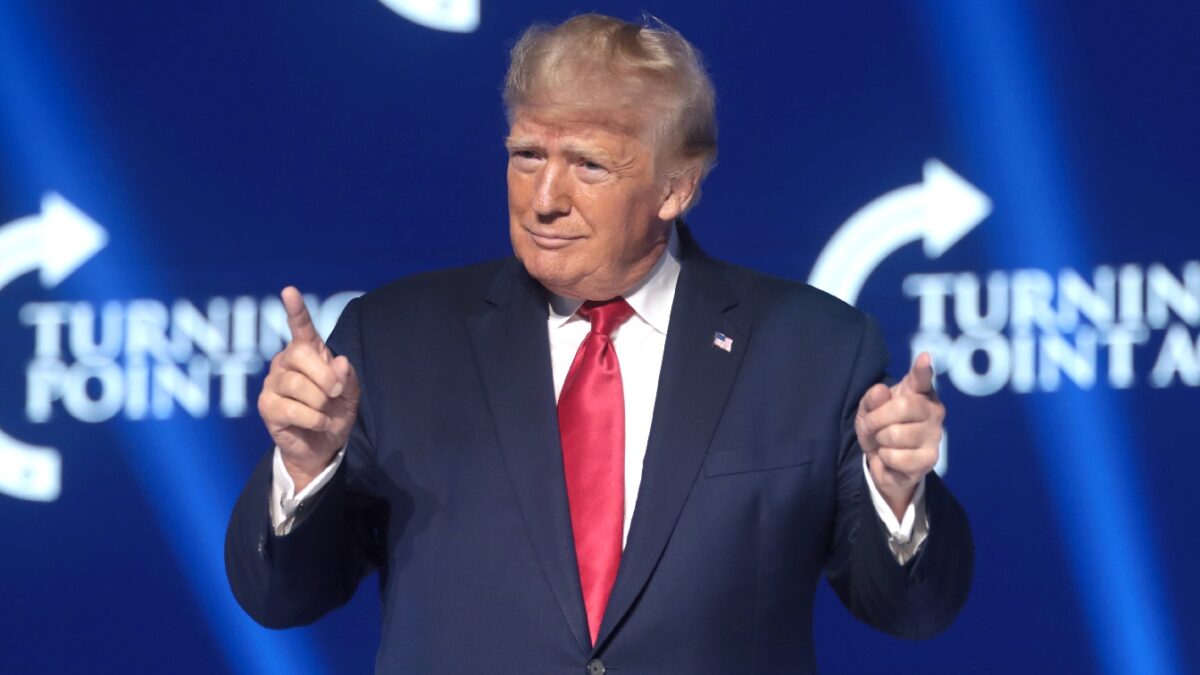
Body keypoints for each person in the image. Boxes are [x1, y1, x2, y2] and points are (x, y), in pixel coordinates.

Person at [226, 13, 972, 674]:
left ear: (676, 188)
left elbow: (910, 610)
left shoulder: (811, 350)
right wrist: (305, 465)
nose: (545, 198)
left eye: (588, 164)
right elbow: (280, 597)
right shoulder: (393, 342)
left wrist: (897, 494)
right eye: (526, 156)